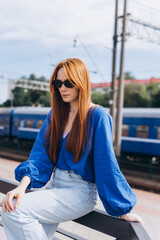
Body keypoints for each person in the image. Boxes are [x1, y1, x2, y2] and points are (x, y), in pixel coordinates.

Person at [1, 58, 143, 240]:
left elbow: (106, 163)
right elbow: (40, 156)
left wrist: (122, 209)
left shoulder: (97, 116)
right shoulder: (56, 115)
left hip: (81, 191)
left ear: (81, 83)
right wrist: (22, 186)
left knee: (13, 211)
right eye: (58, 83)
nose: (62, 88)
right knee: (23, 220)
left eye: (68, 83)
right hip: (55, 186)